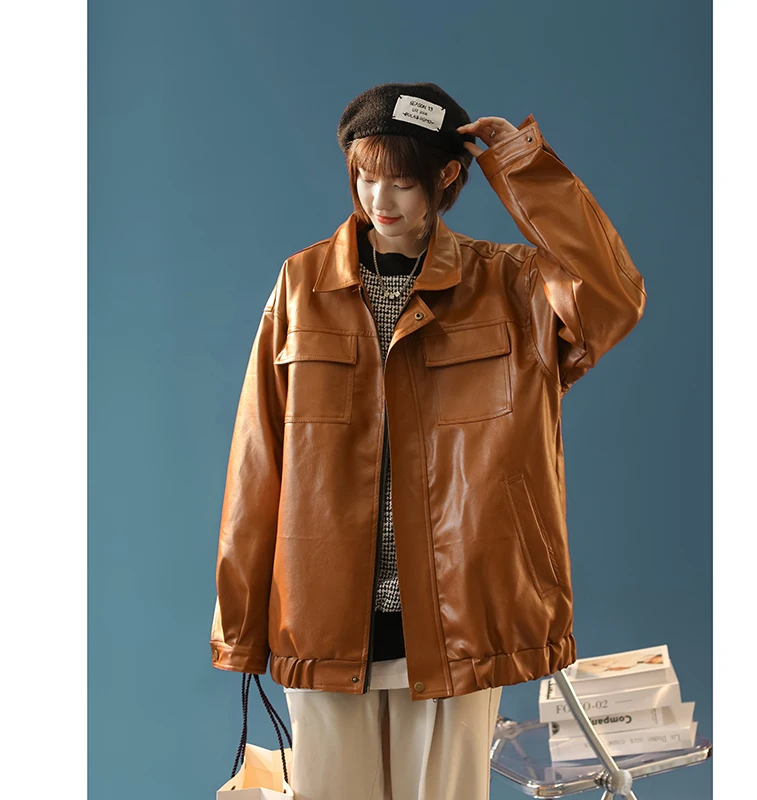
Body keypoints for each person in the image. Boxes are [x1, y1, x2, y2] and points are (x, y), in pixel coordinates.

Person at [210, 82, 647, 799]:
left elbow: (612, 297)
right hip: (321, 617)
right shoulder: (302, 283)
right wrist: (242, 624)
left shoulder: (510, 285)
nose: (379, 198)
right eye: (364, 176)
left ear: (445, 176)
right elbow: (259, 458)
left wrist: (522, 165)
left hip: (458, 616)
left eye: (401, 181)